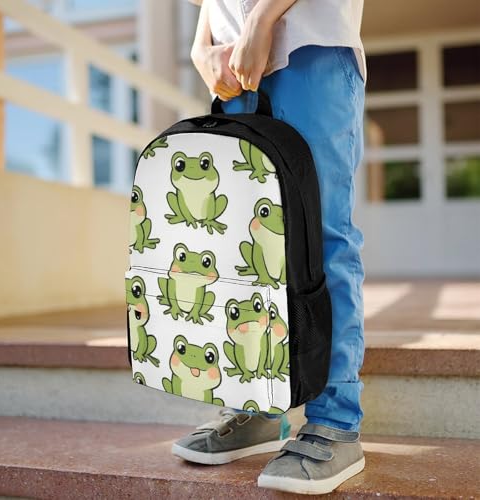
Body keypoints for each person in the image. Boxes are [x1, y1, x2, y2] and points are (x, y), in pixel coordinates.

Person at [171, 0, 366, 494]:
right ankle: (256, 407)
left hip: (310, 43)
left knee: (322, 236)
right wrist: (200, 46)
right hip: (232, 61)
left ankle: (335, 421)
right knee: (245, 245)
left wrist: (262, 19)